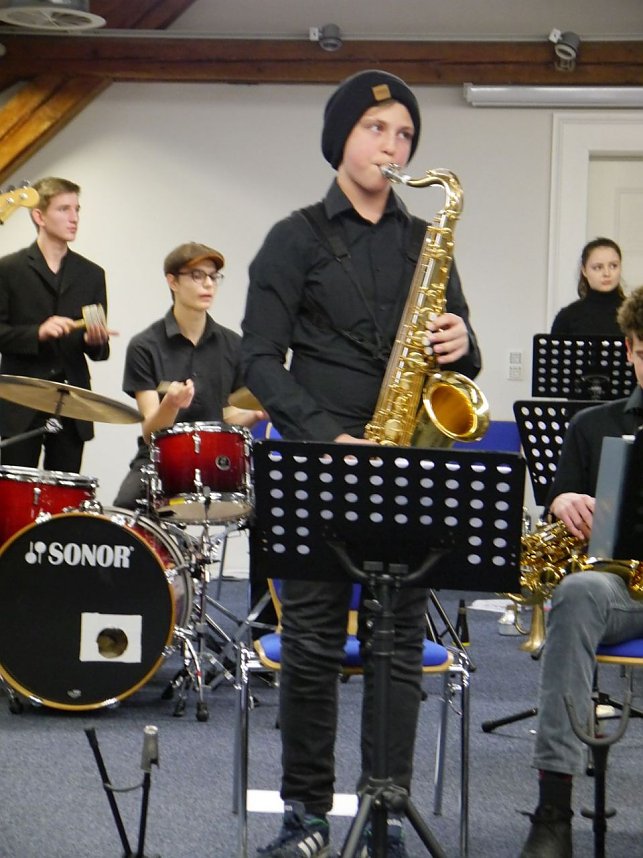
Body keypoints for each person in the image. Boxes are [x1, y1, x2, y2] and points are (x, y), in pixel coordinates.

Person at [240, 69, 482, 858]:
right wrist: (321, 435)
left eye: (405, 134)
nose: (393, 144)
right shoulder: (293, 236)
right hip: (320, 458)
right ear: (341, 137)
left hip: (406, 460)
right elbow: (258, 359)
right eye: (378, 128)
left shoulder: (423, 242)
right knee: (309, 641)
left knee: (397, 639)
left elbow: (461, 348)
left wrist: (461, 343)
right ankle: (305, 815)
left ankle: (386, 809)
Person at [519, 285, 643, 858]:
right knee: (577, 592)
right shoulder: (593, 425)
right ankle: (553, 811)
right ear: (630, 351)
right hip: (619, 585)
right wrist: (565, 500)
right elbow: (559, 501)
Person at [113, 241, 264, 511]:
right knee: (125, 510)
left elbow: (230, 418)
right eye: (197, 276)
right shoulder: (145, 346)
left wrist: (256, 414)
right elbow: (150, 433)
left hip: (216, 459)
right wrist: (170, 404)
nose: (208, 284)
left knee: (266, 509)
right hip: (160, 460)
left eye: (213, 276)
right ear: (173, 282)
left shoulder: (234, 345)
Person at [0, 176, 111, 472]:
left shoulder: (92, 274)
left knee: (65, 502)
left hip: (72, 405)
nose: (74, 218)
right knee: (14, 502)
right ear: (39, 216)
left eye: (77, 209)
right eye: (64, 209)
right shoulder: (8, 269)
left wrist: (96, 341)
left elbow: (100, 352)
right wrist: (38, 332)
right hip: (19, 405)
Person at [550, 237, 626, 336]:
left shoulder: (636, 314)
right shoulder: (567, 317)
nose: (607, 273)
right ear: (584, 271)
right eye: (598, 267)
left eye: (613, 266)